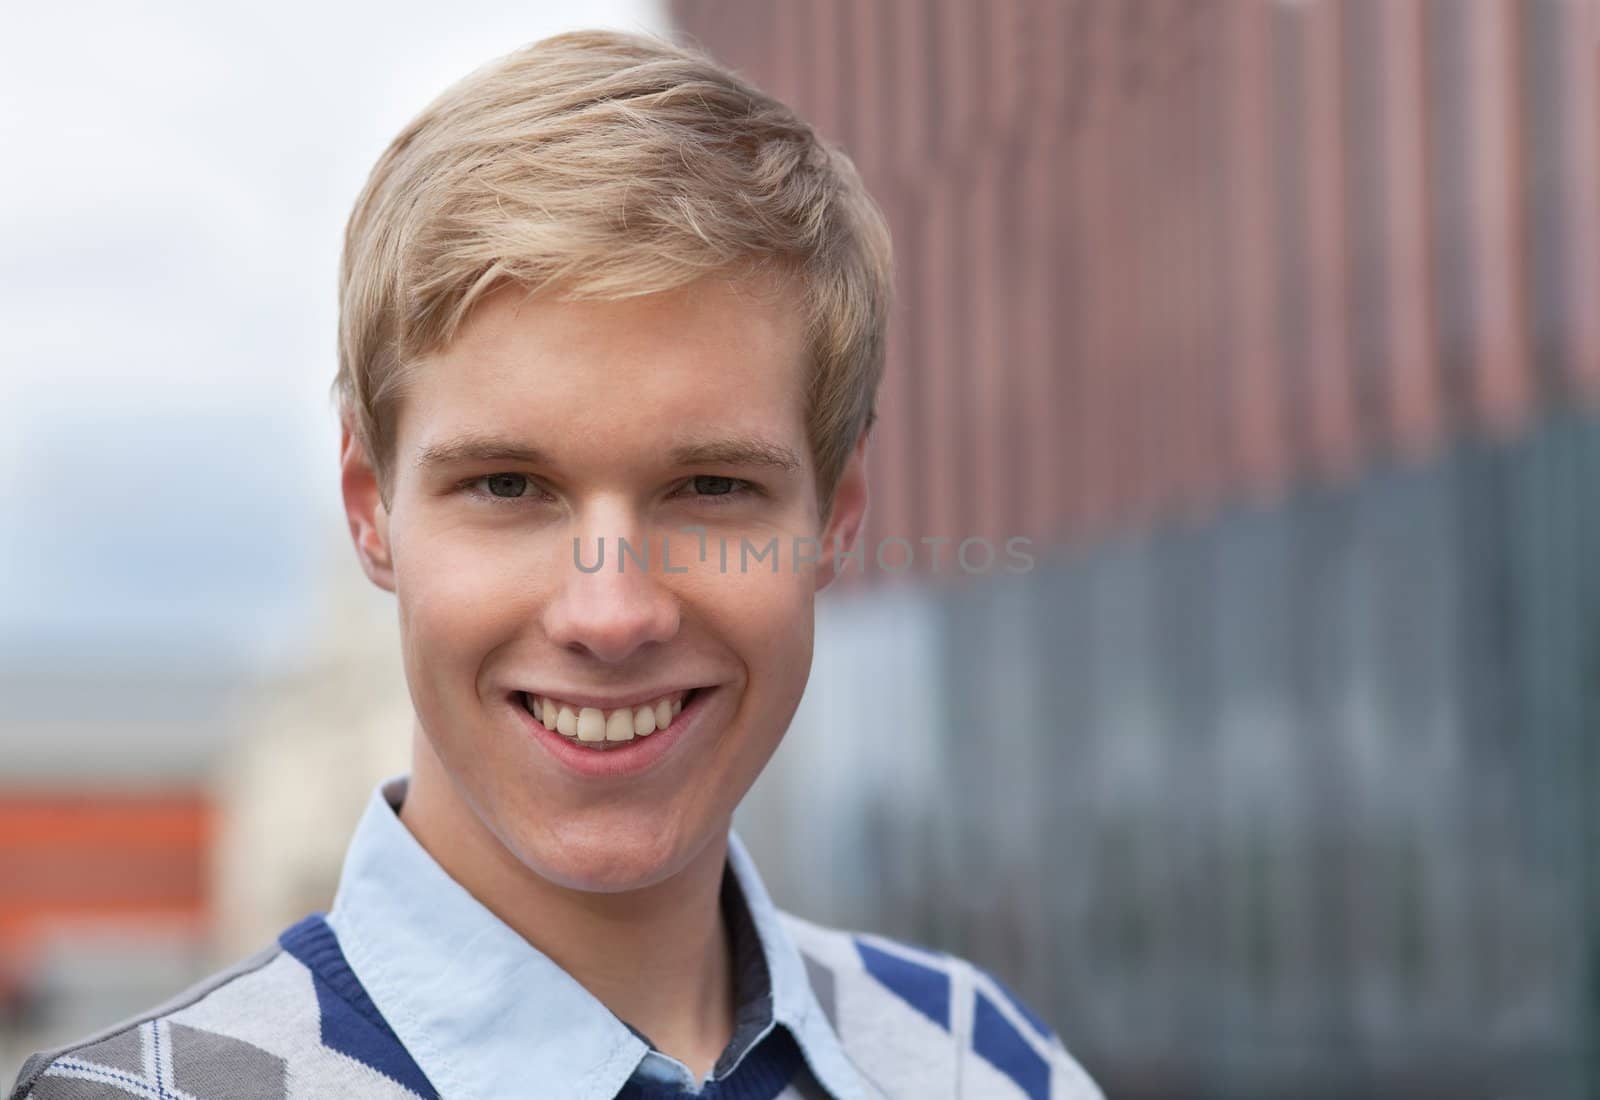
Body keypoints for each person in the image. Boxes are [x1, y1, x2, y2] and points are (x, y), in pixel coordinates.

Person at [8, 28, 1102, 1100]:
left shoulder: (982, 1062)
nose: (609, 609)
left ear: (837, 513)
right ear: (369, 510)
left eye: (711, 486)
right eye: (507, 486)